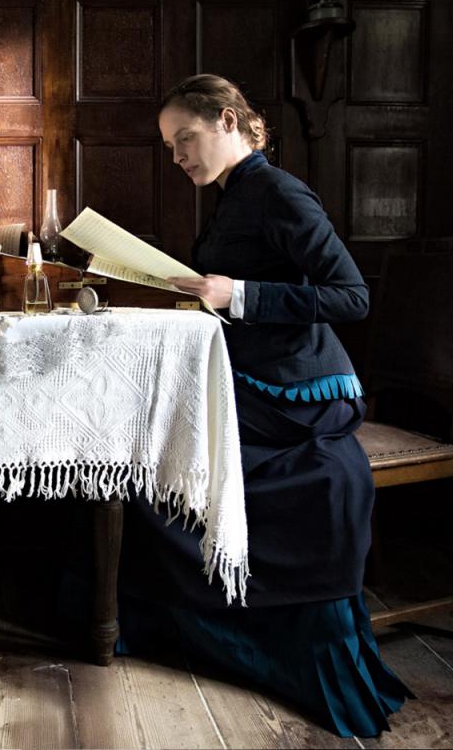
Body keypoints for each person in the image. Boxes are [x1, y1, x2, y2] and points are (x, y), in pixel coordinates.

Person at [115, 74, 411, 736]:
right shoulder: (235, 196)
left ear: (227, 120)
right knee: (147, 429)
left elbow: (351, 295)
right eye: (169, 147)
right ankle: (158, 614)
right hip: (258, 377)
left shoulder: (277, 191)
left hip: (299, 393)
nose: (177, 156)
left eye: (185, 139)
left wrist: (237, 295)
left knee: (157, 443)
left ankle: (186, 620)